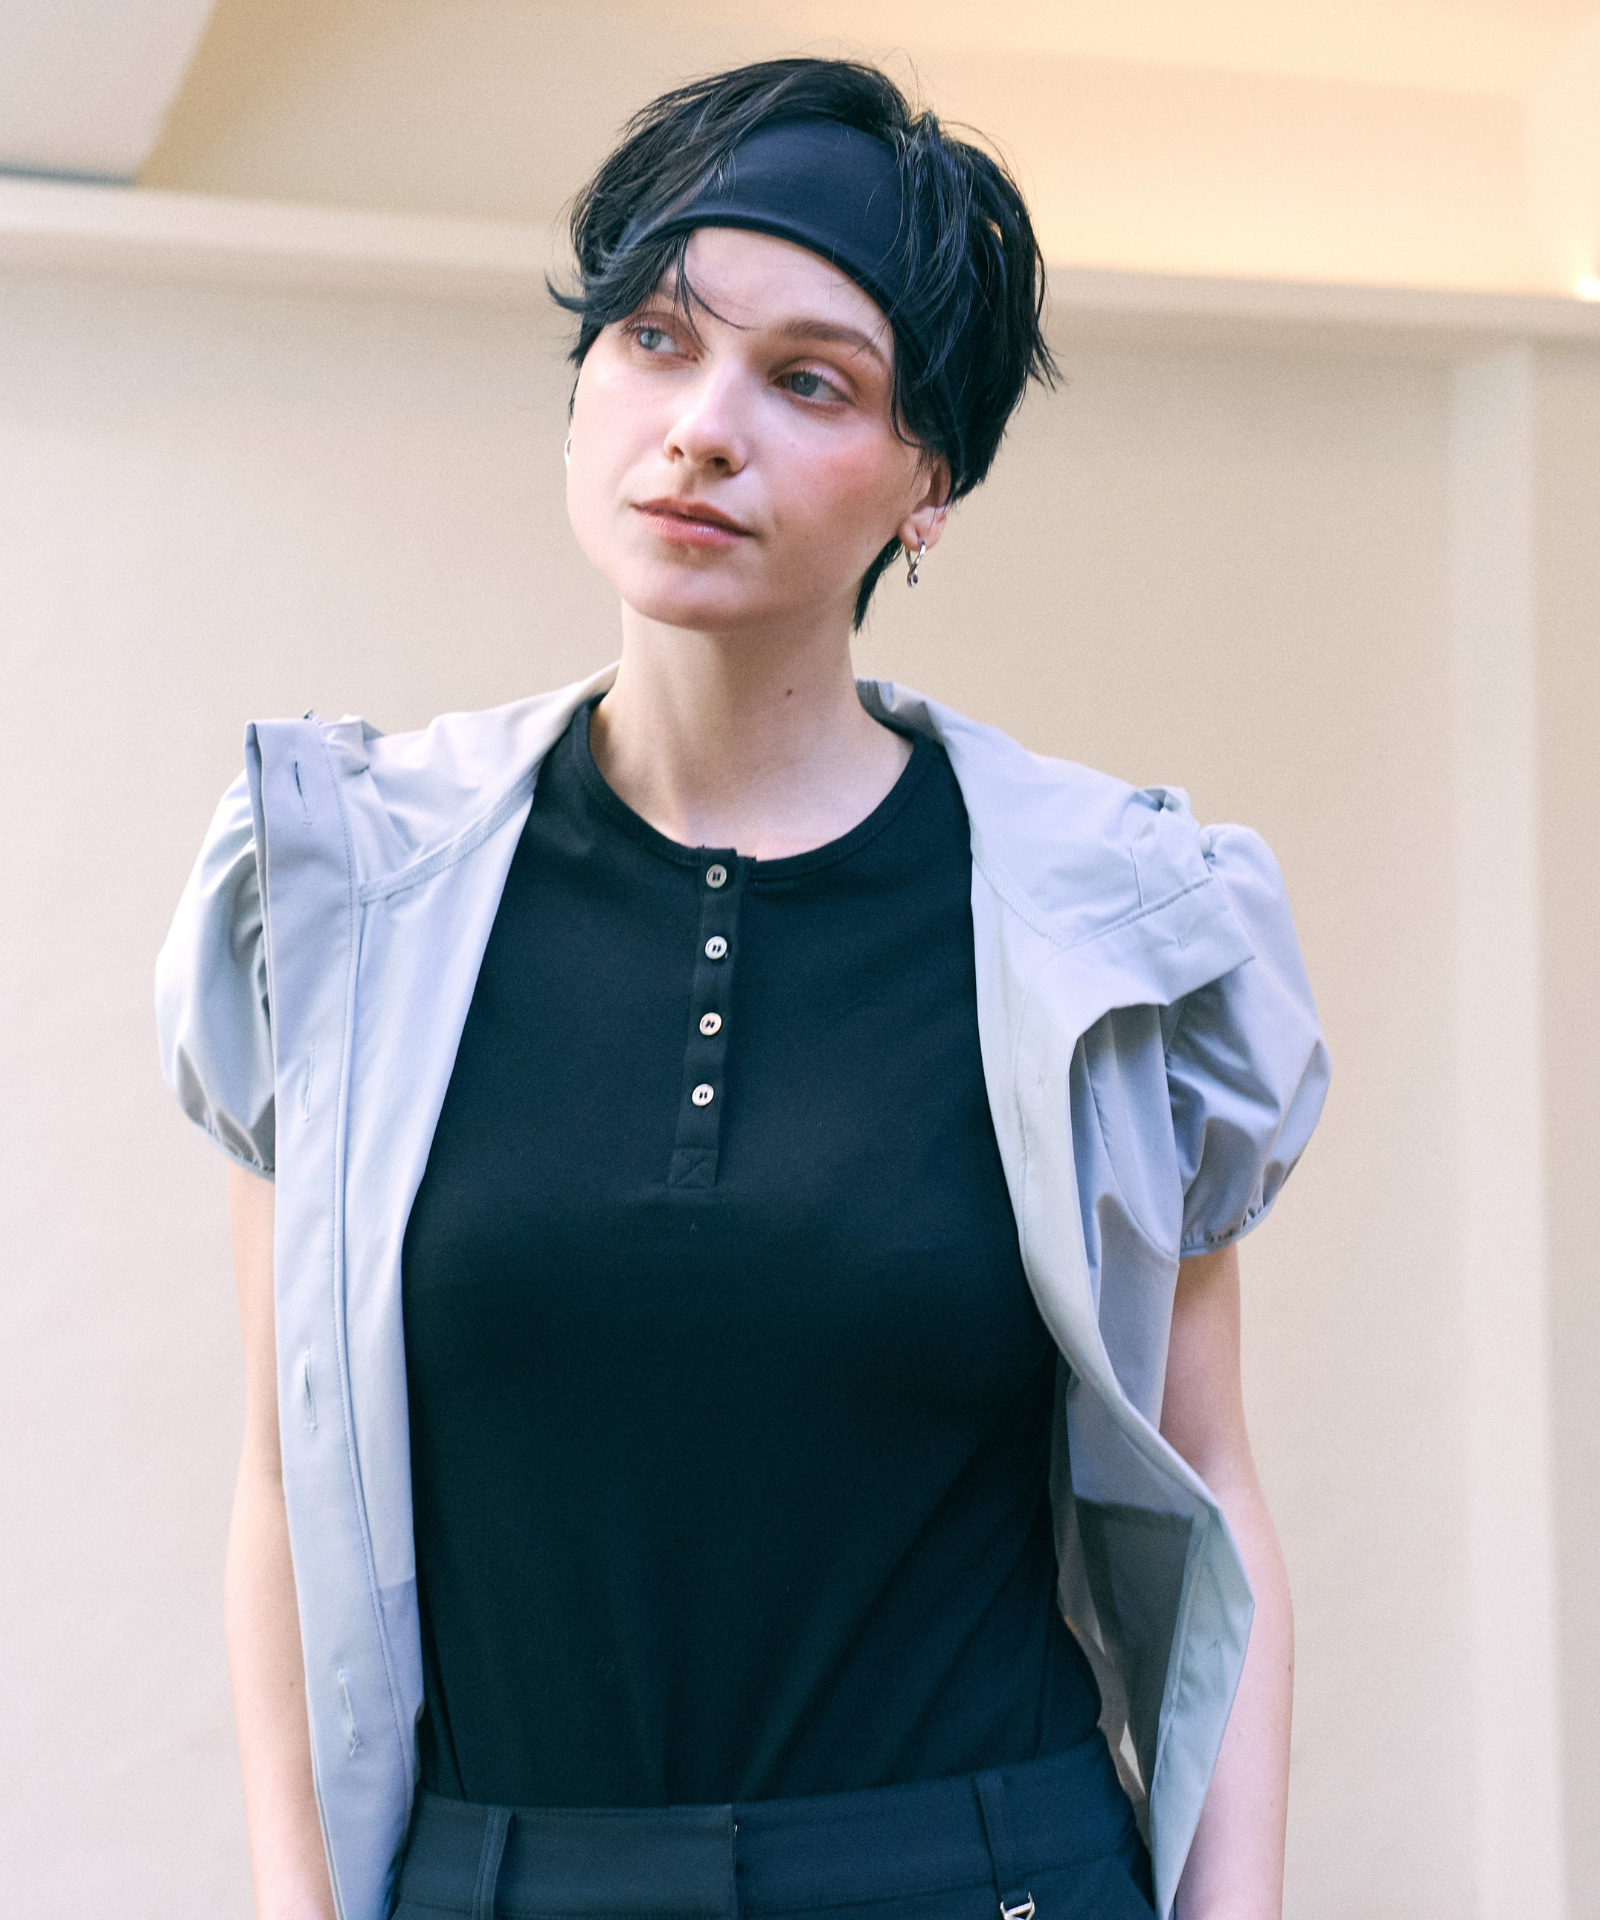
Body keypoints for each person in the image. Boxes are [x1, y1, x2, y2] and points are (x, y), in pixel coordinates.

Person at [155, 56, 1329, 1920]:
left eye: (810, 380)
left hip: (982, 1877)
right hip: (504, 1879)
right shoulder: (340, 892)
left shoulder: (1115, 924)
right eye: (654, 339)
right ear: (580, 387)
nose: (703, 430)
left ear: (929, 483)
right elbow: (281, 1494)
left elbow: (1209, 1484)